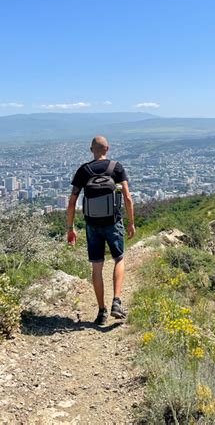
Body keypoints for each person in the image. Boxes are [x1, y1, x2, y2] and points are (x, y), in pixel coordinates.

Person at [66, 135, 135, 325]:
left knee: (97, 266)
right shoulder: (116, 168)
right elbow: (128, 198)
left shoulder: (84, 170)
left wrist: (70, 228)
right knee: (119, 258)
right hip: (113, 222)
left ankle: (102, 311)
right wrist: (131, 222)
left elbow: (72, 202)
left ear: (91, 150)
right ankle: (117, 302)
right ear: (107, 149)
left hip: (92, 224)